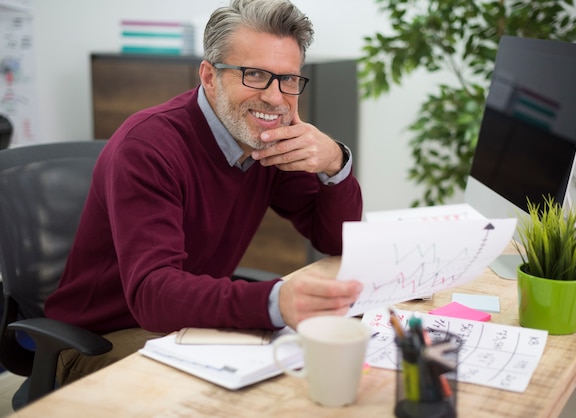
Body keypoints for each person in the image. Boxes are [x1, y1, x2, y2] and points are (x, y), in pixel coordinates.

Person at [44, 0, 363, 386]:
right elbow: (152, 293)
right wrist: (275, 300)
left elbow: (333, 238)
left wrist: (334, 161)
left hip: (187, 323)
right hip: (100, 337)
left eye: (289, 79)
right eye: (255, 75)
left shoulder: (267, 143)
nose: (276, 98)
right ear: (210, 77)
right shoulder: (148, 147)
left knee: (299, 374)